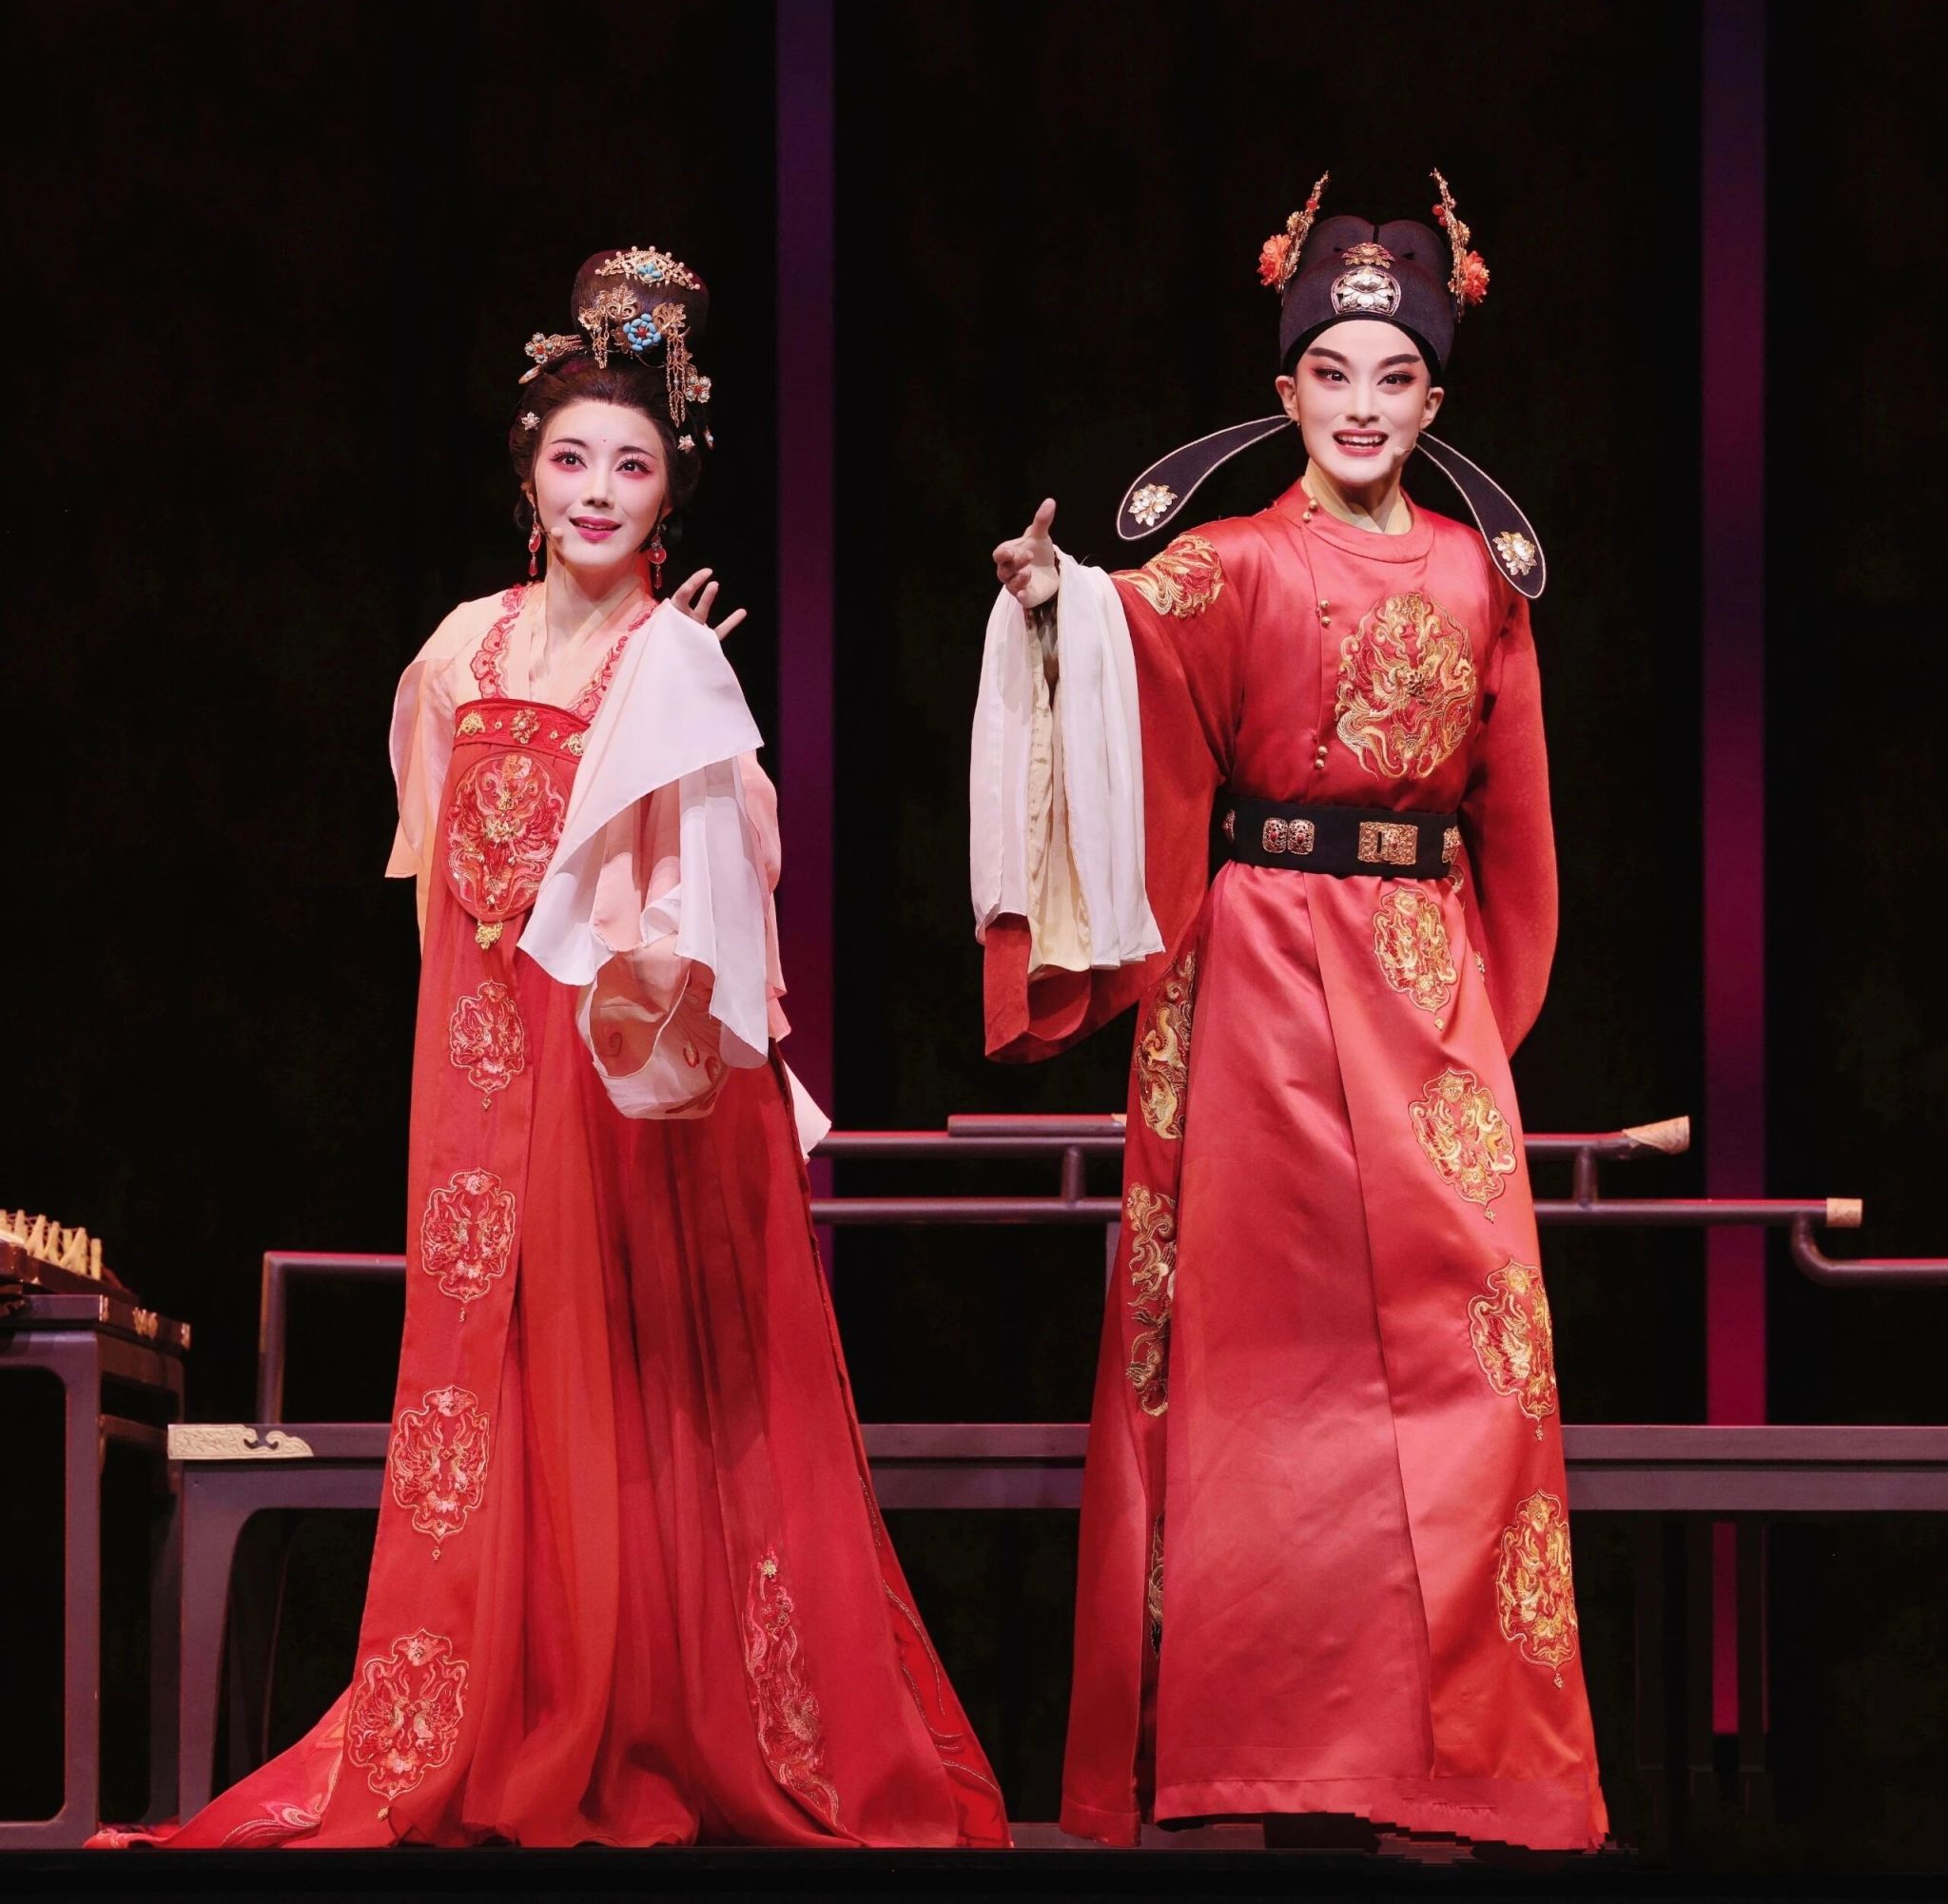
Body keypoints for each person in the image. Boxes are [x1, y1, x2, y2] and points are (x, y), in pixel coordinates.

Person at [152, 247, 1008, 1849]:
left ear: (671, 486)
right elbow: (436, 883)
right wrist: (458, 1069)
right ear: (528, 477)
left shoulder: (672, 659)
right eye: (572, 459)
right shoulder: (455, 649)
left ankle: (635, 1712)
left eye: (633, 464)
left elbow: (739, 872)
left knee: (629, 1389)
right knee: (487, 1377)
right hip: (475, 1063)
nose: (598, 491)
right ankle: (490, 1708)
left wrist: (685, 753)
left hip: (621, 1071)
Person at [972, 174, 1606, 1852]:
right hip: (1250, 981)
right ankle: (1245, 1756)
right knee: (1254, 1378)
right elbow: (1114, 636)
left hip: (1421, 979)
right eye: (1332, 374)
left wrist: (1478, 1020)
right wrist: (1049, 601)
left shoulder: (1481, 579)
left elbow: (1520, 824)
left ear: (1435, 401)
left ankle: (1459, 1766)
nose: (1361, 406)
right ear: (1287, 389)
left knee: (1475, 1366)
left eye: (1395, 378)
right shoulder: (1231, 559)